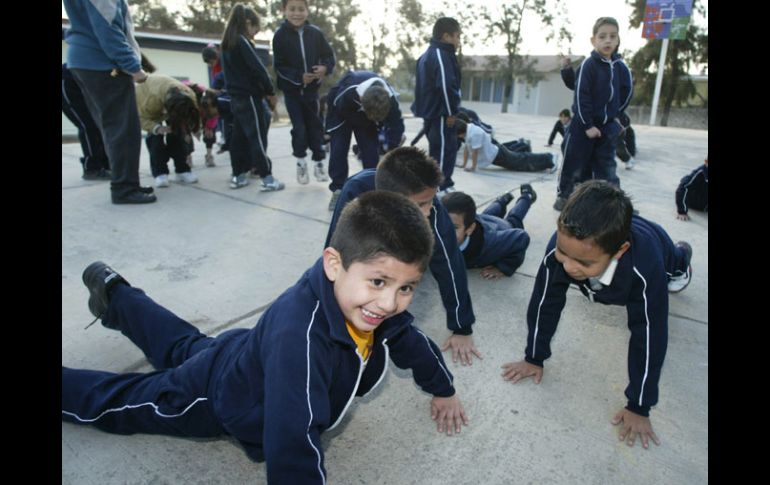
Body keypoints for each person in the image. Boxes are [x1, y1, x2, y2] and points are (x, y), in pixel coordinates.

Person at [62, 191, 469, 483]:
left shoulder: (367, 304)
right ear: (334, 264)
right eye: (379, 281)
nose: (390, 302)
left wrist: (443, 388)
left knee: (183, 347)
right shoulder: (302, 343)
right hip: (214, 395)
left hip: (241, 352)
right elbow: (292, 439)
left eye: (406, 287)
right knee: (122, 401)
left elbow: (410, 340)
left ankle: (116, 296)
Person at [501, 180, 693, 449]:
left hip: (659, 247)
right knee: (573, 270)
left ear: (620, 251)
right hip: (613, 241)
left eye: (583, 262)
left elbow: (649, 334)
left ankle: (684, 255)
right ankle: (597, 278)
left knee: (675, 268)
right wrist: (534, 357)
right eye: (563, 252)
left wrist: (639, 405)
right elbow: (544, 303)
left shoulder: (644, 268)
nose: (567, 266)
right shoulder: (564, 248)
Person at [326, 146, 480, 366]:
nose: (428, 211)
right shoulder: (355, 190)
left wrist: (462, 327)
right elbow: (337, 254)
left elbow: (449, 264)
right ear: (391, 198)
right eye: (420, 204)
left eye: (431, 200)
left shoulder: (433, 209)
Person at [62, 0, 156, 204]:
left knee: (113, 128)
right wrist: (134, 68)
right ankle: (124, 188)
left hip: (85, 61)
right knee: (124, 130)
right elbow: (107, 29)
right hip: (103, 64)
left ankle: (126, 183)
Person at [553, 17, 633, 211]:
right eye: (602, 36)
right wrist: (588, 124)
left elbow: (627, 92)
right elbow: (580, 91)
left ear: (618, 40)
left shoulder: (621, 67)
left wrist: (616, 117)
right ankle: (566, 197)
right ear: (593, 40)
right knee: (575, 161)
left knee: (606, 166)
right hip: (583, 125)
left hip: (606, 126)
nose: (607, 40)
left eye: (612, 36)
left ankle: (614, 205)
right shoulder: (589, 64)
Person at [220, 4, 284, 191]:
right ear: (248, 22)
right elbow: (258, 69)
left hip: (235, 98)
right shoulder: (242, 41)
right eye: (255, 28)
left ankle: (238, 175)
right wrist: (270, 92)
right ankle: (267, 178)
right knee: (256, 137)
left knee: (238, 138)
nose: (255, 33)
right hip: (249, 97)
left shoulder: (227, 43)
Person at [273, 0, 335, 185]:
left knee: (315, 127)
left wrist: (325, 67)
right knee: (299, 129)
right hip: (292, 93)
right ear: (284, 10)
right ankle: (301, 162)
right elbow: (280, 66)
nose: (296, 13)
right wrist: (299, 77)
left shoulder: (315, 34)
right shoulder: (280, 36)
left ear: (307, 11)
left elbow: (329, 56)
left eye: (301, 9)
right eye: (292, 9)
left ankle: (319, 163)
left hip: (311, 93)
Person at [325, 70, 405, 210]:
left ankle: (372, 189)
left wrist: (390, 147)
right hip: (341, 112)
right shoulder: (349, 93)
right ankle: (337, 190)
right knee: (339, 148)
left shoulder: (391, 100)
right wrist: (328, 129)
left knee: (370, 151)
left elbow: (396, 126)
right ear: (361, 100)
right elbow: (337, 106)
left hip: (366, 114)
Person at [441, 184, 536, 280]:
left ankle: (526, 196)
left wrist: (503, 267)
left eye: (453, 228)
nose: (443, 232)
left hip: (502, 226)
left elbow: (521, 237)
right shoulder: (455, 222)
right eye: (440, 224)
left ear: (469, 229)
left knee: (514, 217)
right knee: (488, 212)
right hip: (482, 219)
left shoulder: (489, 243)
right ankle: (502, 200)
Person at [412, 17, 463, 193]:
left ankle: (436, 185)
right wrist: (451, 112)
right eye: (457, 36)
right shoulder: (441, 55)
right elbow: (446, 85)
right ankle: (441, 187)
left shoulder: (427, 54)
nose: (458, 41)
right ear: (446, 36)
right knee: (444, 150)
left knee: (438, 149)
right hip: (441, 113)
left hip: (432, 112)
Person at [135, 74, 201, 188]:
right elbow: (141, 118)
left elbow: (194, 113)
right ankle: (160, 174)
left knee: (178, 136)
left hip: (168, 102)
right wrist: (157, 128)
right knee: (155, 141)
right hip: (150, 107)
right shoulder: (149, 100)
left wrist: (195, 128)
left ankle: (182, 170)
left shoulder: (188, 95)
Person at [62, 63, 111, 181]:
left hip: (83, 82)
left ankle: (105, 165)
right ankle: (92, 168)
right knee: (88, 126)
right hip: (68, 81)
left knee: (99, 125)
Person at [456, 119, 558, 173]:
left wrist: (473, 167)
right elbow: (466, 148)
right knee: (520, 159)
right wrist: (464, 164)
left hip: (498, 155)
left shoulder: (474, 133)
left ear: (460, 133)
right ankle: (543, 156)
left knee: (522, 162)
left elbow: (475, 152)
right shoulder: (468, 130)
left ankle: (550, 158)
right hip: (496, 154)